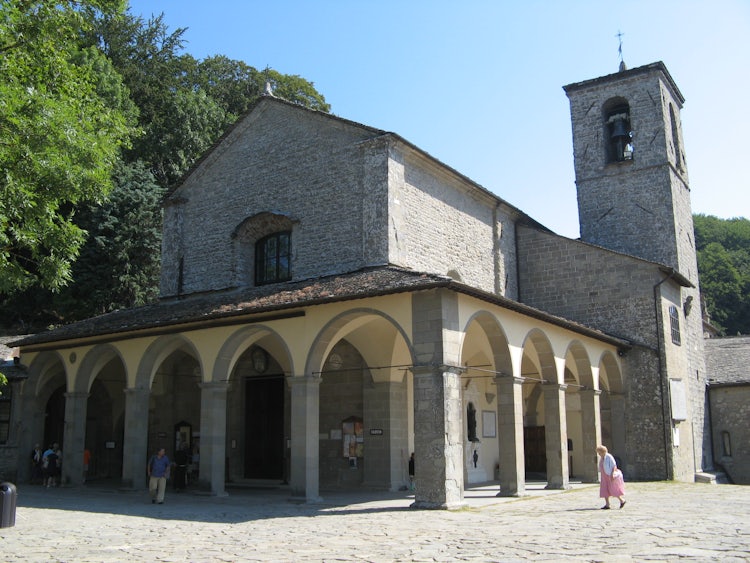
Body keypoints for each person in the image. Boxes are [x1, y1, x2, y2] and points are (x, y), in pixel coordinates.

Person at [596, 444, 626, 509]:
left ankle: (622, 500)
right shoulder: (602, 458)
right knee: (604, 490)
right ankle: (607, 504)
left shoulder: (609, 457)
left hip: (609, 475)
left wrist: (612, 474)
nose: (598, 454)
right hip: (604, 476)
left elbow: (614, 466)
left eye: (599, 452)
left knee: (613, 489)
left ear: (602, 451)